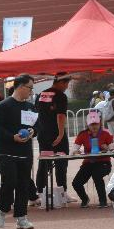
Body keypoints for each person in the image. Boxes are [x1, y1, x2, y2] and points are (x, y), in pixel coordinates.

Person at [0, 74, 38, 229]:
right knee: (9, 181)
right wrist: (12, 137)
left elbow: (37, 126)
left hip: (25, 152)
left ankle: (21, 217)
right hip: (7, 151)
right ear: (20, 86)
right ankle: (2, 211)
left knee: (23, 184)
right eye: (30, 88)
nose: (31, 91)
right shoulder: (3, 106)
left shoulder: (30, 107)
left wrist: (33, 131)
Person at [34, 73, 72, 205]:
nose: (66, 87)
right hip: (57, 136)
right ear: (61, 82)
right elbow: (60, 116)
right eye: (66, 84)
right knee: (61, 163)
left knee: (44, 163)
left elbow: (38, 113)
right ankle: (62, 193)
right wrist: (61, 134)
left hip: (43, 135)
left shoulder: (41, 94)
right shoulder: (61, 96)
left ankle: (40, 193)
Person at [70, 111, 114, 208]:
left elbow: (113, 149)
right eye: (91, 124)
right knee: (76, 183)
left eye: (96, 124)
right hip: (88, 163)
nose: (94, 126)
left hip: (104, 162)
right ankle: (85, 199)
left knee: (96, 175)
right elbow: (73, 150)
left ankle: (103, 201)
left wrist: (107, 148)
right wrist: (76, 151)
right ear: (87, 124)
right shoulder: (83, 134)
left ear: (100, 123)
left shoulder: (106, 133)